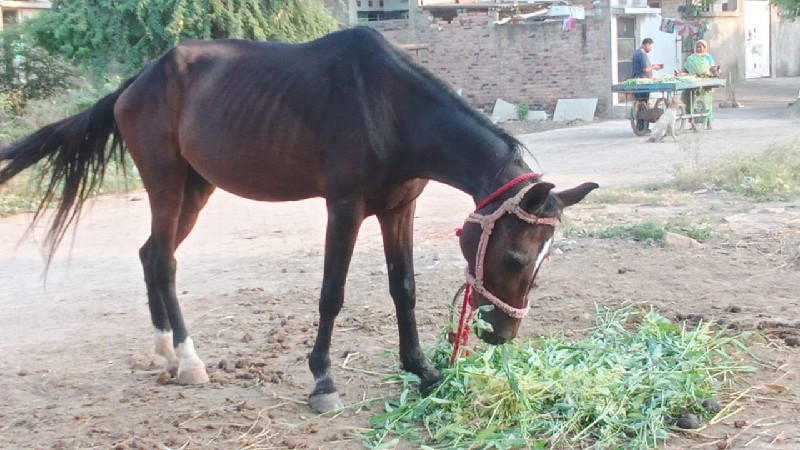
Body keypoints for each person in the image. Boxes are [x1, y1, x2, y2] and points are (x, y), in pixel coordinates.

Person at [677, 39, 718, 129]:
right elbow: (686, 69)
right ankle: (693, 122)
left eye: (700, 47)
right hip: (692, 82)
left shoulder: (708, 58)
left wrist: (713, 74)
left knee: (707, 103)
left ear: (705, 48)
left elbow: (712, 69)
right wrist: (680, 72)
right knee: (691, 103)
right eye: (697, 47)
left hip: (705, 83)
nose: (698, 49)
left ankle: (708, 122)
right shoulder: (691, 58)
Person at [631, 38, 664, 132]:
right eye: (650, 47)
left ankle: (641, 126)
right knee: (643, 104)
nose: (650, 49)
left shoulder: (636, 53)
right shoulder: (642, 54)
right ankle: (642, 126)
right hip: (642, 82)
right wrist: (654, 67)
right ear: (646, 44)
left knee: (640, 103)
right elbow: (645, 69)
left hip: (637, 81)